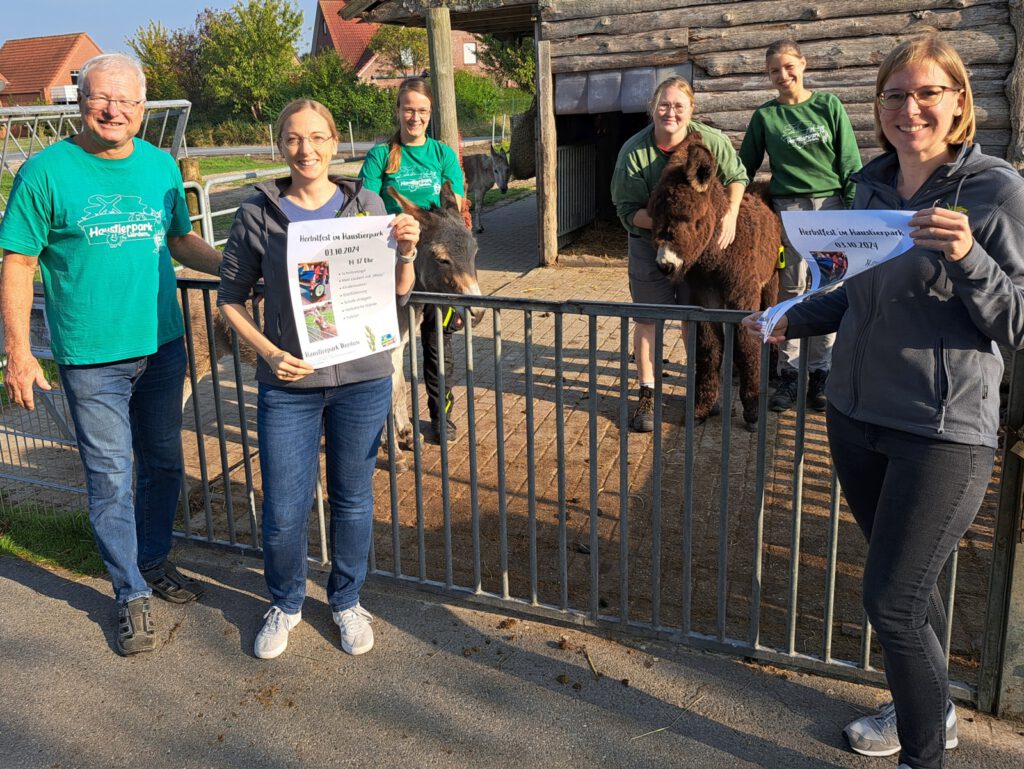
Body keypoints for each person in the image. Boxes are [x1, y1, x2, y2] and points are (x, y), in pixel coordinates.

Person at [742, 35, 1024, 769]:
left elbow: (1017, 319)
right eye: (896, 94)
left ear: (960, 102)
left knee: (891, 602)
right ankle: (928, 709)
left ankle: (923, 756)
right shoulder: (868, 188)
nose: (912, 108)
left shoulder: (995, 191)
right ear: (878, 108)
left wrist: (969, 257)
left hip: (942, 430)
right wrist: (784, 319)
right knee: (913, 586)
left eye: (929, 92)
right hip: (856, 418)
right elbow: (849, 297)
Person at [0, 53, 221, 656]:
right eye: (101, 98)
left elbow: (179, 239)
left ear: (142, 108)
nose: (113, 110)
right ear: (80, 100)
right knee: (110, 478)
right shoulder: (45, 172)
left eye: (125, 100)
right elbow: (18, 260)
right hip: (92, 356)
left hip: (162, 344)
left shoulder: (158, 166)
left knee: (165, 465)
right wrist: (19, 354)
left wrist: (242, 267)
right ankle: (130, 596)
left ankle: (151, 560)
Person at [217, 99, 419, 660]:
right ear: (280, 145)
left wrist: (408, 250)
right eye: (293, 139)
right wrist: (268, 352)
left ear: (335, 143)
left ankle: (347, 600)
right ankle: (284, 602)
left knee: (352, 500)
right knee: (284, 508)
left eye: (317, 138)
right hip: (289, 387)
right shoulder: (258, 213)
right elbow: (230, 300)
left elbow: (395, 294)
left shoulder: (367, 205)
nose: (306, 149)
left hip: (362, 379)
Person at [611, 76, 749, 432]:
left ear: (691, 110)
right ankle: (647, 392)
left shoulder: (711, 142)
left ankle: (703, 389)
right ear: (652, 108)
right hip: (648, 243)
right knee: (648, 318)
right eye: (663, 104)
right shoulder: (634, 152)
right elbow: (626, 211)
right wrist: (670, 225)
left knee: (695, 318)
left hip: (697, 252)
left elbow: (737, 177)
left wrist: (730, 213)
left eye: (678, 106)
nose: (670, 112)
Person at [739, 39, 862, 413]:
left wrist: (853, 210)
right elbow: (743, 166)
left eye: (789, 66)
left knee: (829, 288)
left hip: (830, 207)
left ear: (803, 65)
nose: (783, 75)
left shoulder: (828, 105)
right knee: (791, 289)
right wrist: (730, 205)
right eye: (774, 70)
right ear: (768, 75)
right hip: (790, 210)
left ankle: (821, 373)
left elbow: (849, 160)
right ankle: (789, 374)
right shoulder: (765, 117)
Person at [358, 77, 466, 445]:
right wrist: (399, 227)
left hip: (434, 266)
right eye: (408, 109)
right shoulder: (380, 156)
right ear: (398, 111)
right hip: (394, 260)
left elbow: (455, 210)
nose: (414, 117)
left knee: (438, 344)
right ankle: (393, 418)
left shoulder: (442, 155)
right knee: (391, 345)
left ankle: (442, 416)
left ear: (430, 113)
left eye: (421, 111)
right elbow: (366, 206)